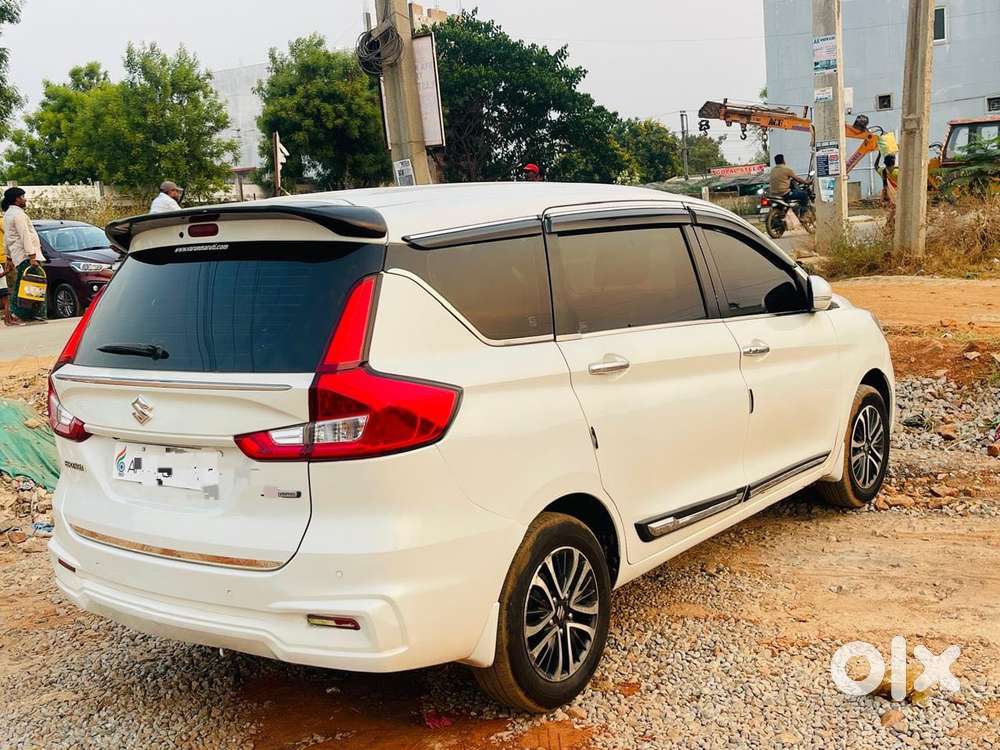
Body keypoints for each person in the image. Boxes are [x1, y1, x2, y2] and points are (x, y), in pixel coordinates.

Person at [2, 187, 46, 322]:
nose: (25, 199)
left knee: (25, 284)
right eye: (23, 197)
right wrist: (32, 256)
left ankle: (25, 314)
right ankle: (20, 314)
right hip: (26, 256)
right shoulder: (18, 214)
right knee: (33, 285)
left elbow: (7, 238)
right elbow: (25, 235)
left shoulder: (8, 214)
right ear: (17, 199)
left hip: (19, 255)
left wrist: (9, 257)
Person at [0, 213, 21, 326]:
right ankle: (10, 316)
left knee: (5, 292)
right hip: (4, 258)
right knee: (10, 289)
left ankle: (8, 316)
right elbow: (11, 237)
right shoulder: (2, 221)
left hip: (3, 259)